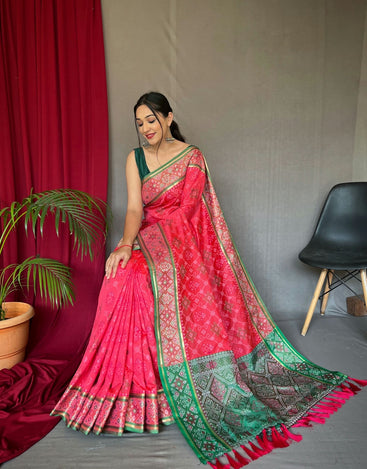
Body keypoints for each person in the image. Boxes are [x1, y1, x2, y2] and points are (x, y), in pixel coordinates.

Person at [51, 92, 365, 468]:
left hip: (182, 242)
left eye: (152, 119)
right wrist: (124, 243)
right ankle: (127, 391)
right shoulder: (133, 159)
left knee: (144, 275)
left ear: (168, 118)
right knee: (122, 275)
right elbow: (135, 208)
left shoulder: (192, 156)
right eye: (139, 123)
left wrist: (158, 247)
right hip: (148, 237)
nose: (146, 128)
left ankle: (164, 385)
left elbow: (186, 214)